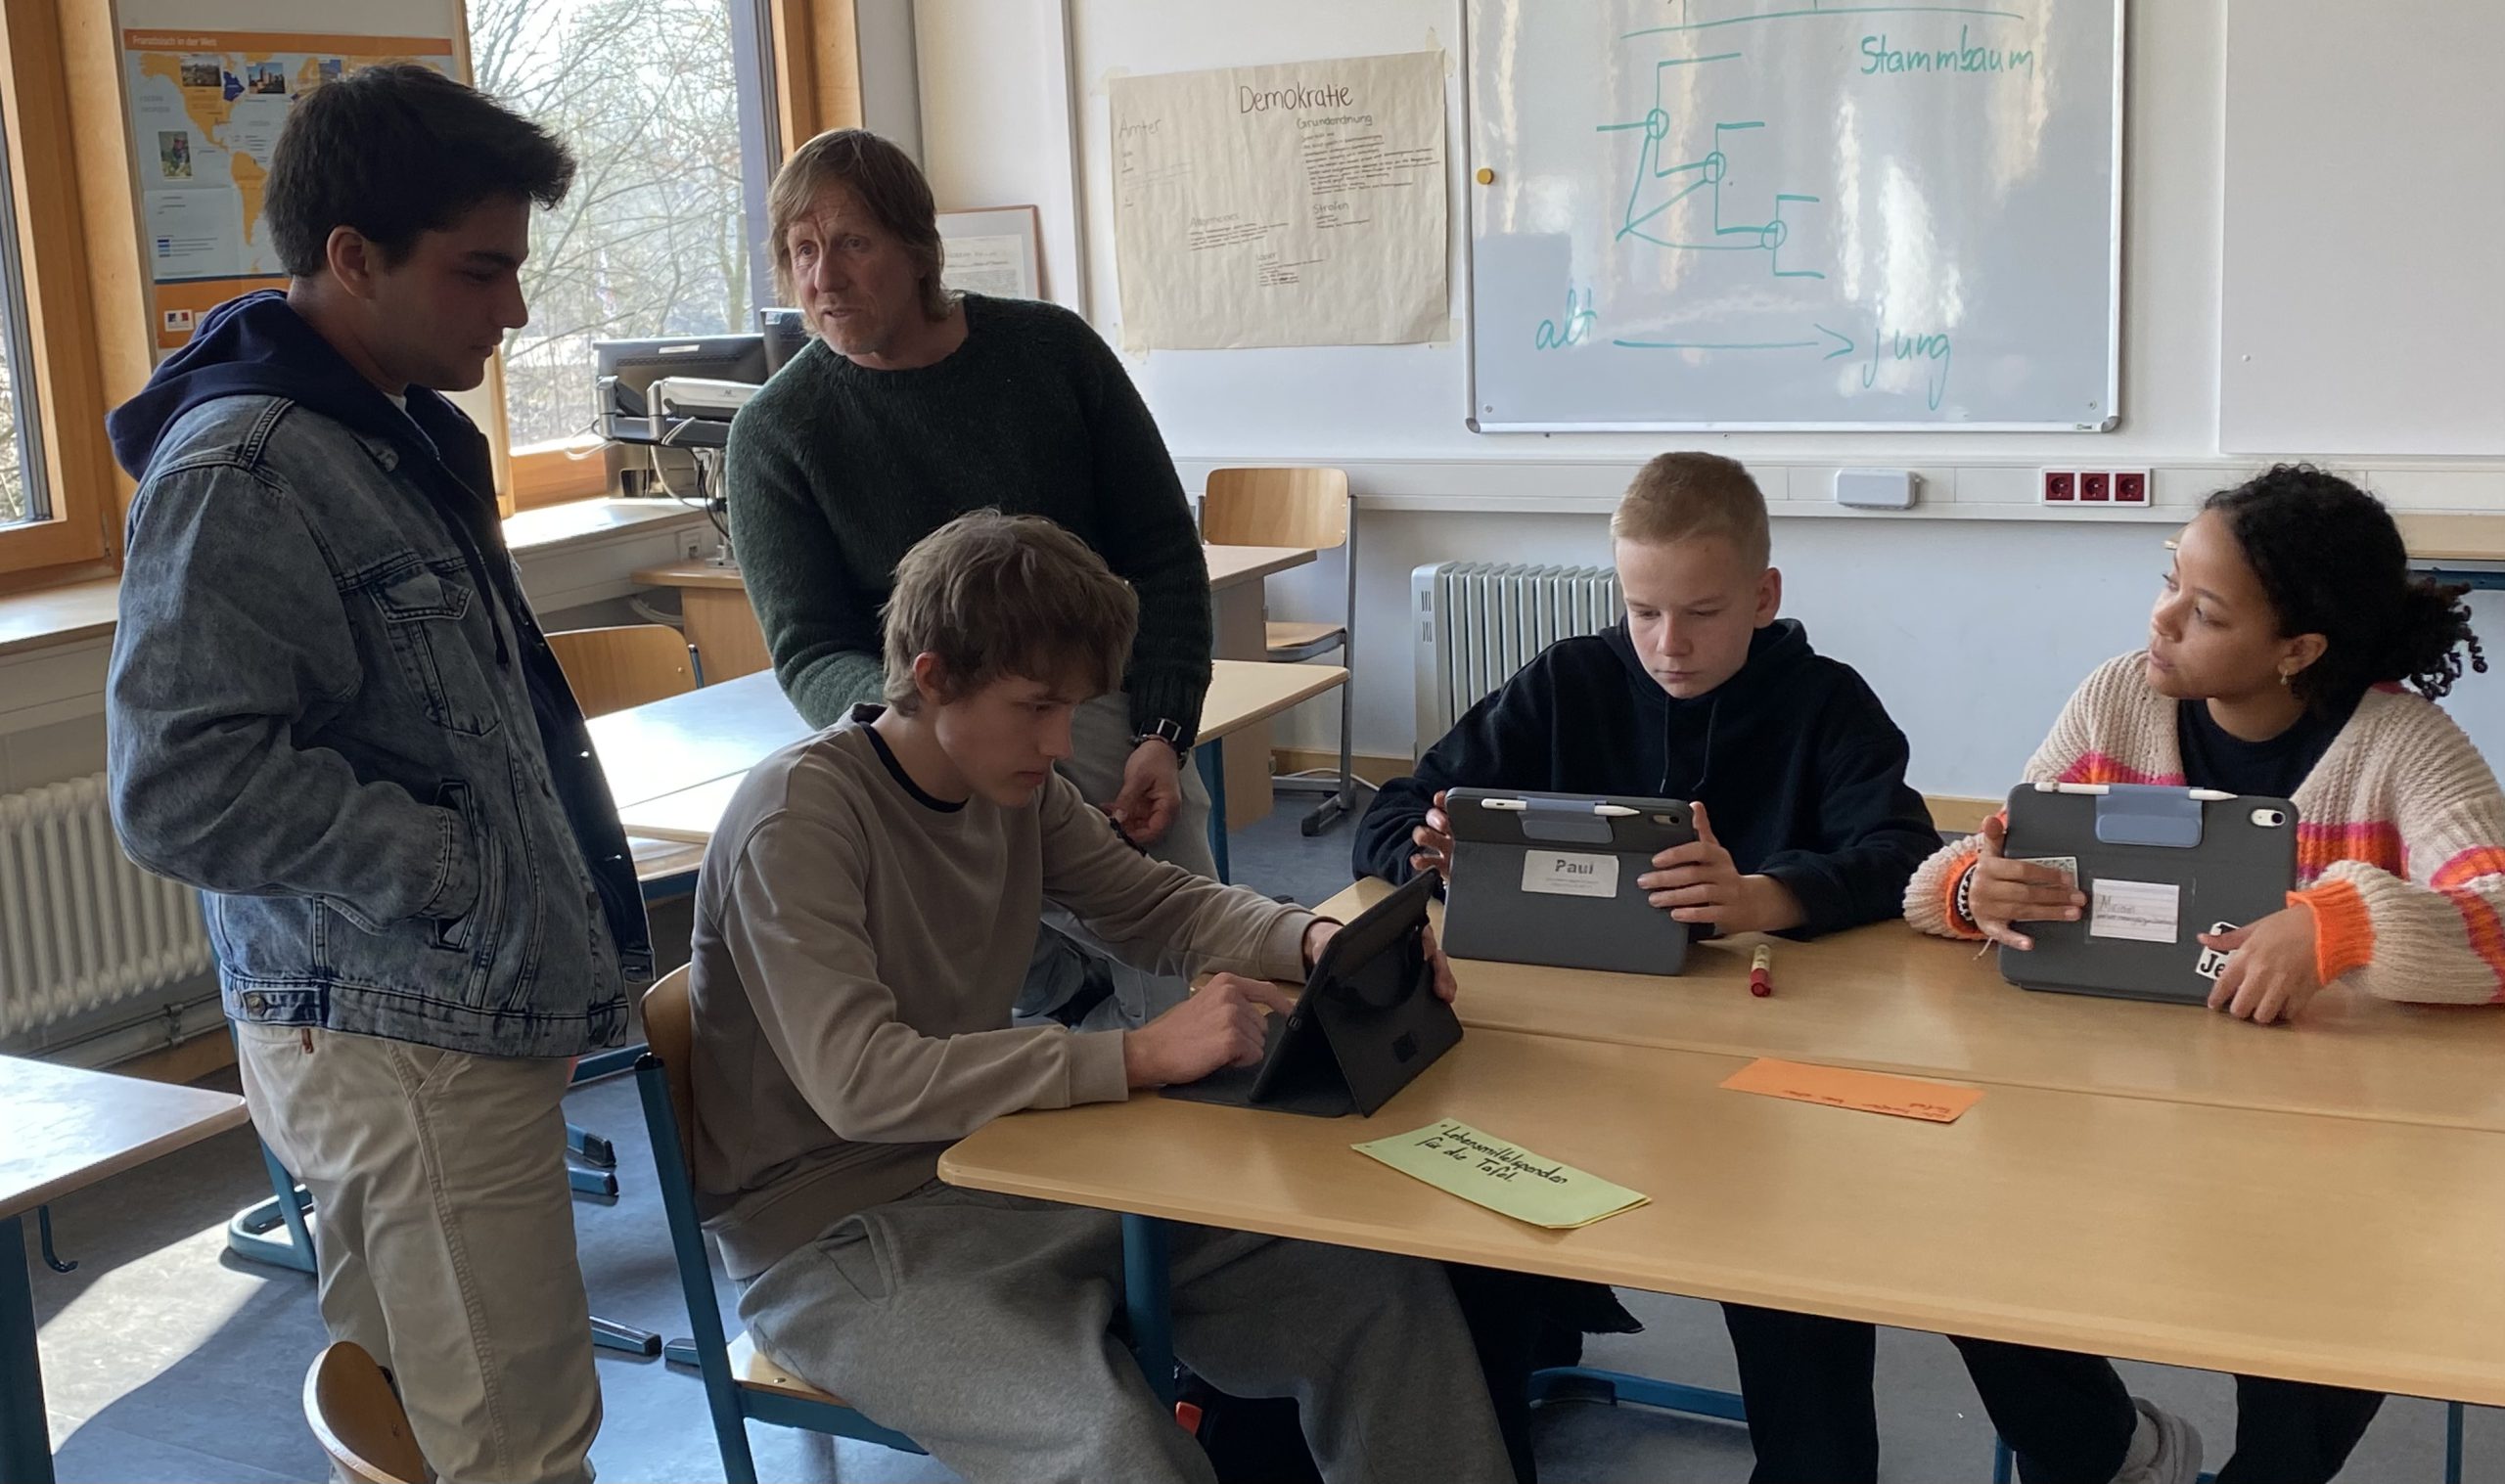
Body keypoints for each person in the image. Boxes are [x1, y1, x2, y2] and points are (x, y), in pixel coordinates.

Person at [687, 511, 1510, 1484]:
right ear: (933, 676)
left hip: (997, 1161)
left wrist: (1315, 939)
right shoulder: (800, 817)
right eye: (1036, 706)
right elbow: (860, 1081)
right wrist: (1137, 1053)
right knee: (1113, 1449)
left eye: (1073, 708)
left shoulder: (1013, 788)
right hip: (832, 1237)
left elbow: (1157, 904)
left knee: (1374, 1293)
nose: (1060, 741)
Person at [104, 66, 648, 1484]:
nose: (512, 310)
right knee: (515, 1452)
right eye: (479, 270)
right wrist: (458, 873)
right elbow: (178, 786)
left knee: (438, 1426)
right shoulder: (245, 469)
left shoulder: (383, 431)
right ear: (352, 257)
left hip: (433, 1009)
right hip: (402, 1032)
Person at [1354, 450, 1960, 1484]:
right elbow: (1395, 809)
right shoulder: (1569, 680)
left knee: (1792, 1271)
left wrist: (1764, 896)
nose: (1668, 644)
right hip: (1565, 1058)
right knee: (1468, 1245)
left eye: (1702, 613)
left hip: (1764, 1080)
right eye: (1642, 611)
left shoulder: (1825, 702)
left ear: (1763, 597)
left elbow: (1906, 855)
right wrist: (1435, 855)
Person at [1905, 464, 2504, 1483]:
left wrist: (2341, 922)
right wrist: (1975, 889)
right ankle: (2119, 1451)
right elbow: (1967, 863)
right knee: (1963, 1259)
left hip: (2314, 1158)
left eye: (2206, 610)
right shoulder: (2117, 701)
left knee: (2313, 1326)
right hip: (2118, 1115)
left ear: (2297, 649)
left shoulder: (2400, 744)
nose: (2163, 617)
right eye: (2168, 580)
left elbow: (2496, 913)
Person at [724, 127, 1214, 1029]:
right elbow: (809, 651)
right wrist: (930, 733)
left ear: (919, 249)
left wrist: (1164, 734)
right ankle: (1068, 1005)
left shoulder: (1052, 354)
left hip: (1089, 710)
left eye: (852, 243)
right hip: (919, 730)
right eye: (802, 251)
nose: (824, 277)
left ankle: (1174, 1048)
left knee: (1179, 961)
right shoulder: (774, 434)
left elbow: (1163, 555)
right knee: (965, 973)